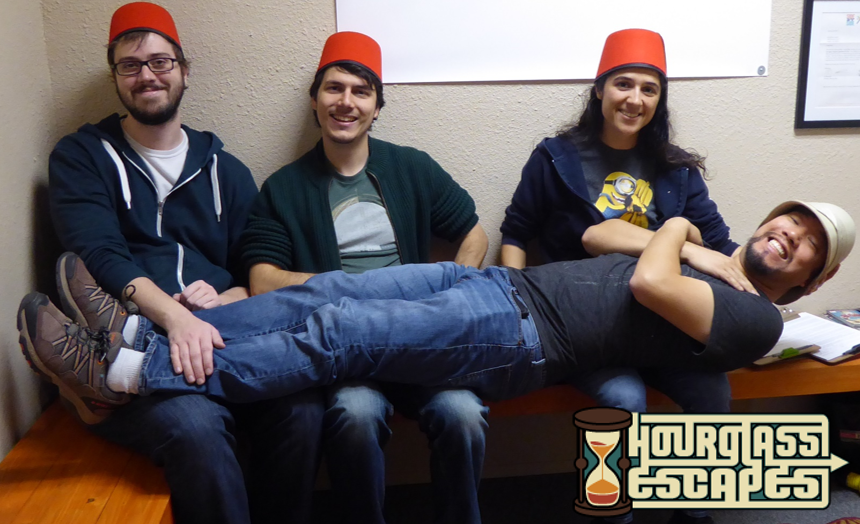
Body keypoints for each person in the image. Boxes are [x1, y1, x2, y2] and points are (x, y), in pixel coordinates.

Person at [19, 201, 855, 459]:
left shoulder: (752, 316)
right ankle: (144, 334)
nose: (790, 235)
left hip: (519, 334)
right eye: (790, 220)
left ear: (811, 280)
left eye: (808, 244)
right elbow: (599, 235)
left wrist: (678, 228)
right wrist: (702, 248)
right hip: (492, 285)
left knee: (337, 335)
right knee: (326, 296)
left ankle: (127, 377)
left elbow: (646, 278)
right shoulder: (713, 265)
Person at [38, 3, 323, 523]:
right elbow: (97, 254)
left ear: (184, 71)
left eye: (160, 61)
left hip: (222, 335)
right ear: (115, 76)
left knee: (302, 412)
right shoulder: (81, 157)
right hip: (128, 340)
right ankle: (106, 386)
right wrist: (175, 319)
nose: (147, 75)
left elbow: (254, 270)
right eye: (130, 65)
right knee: (198, 425)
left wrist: (226, 297)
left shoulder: (226, 170)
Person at [238, 31, 490, 524]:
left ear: (376, 107)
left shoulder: (411, 167)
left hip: (420, 338)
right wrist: (349, 294)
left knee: (463, 415)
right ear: (315, 100)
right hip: (346, 351)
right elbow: (262, 281)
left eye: (361, 91)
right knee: (354, 416)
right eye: (334, 88)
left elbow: (474, 234)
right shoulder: (283, 188)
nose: (346, 102)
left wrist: (453, 299)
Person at [499, 29, 741, 523]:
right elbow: (516, 233)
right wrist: (515, 304)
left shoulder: (676, 168)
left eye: (649, 89)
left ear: (659, 100)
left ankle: (694, 514)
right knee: (624, 401)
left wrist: (771, 280)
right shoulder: (555, 158)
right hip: (584, 325)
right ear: (599, 89)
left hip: (663, 322)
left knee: (713, 393)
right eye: (623, 84)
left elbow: (718, 242)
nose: (635, 99)